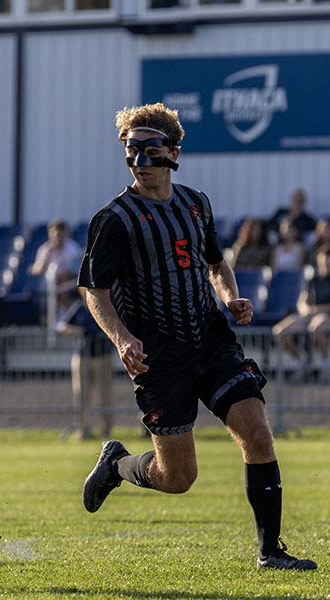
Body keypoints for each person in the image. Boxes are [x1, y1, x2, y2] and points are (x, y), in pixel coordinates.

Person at [78, 102, 316, 570]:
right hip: (158, 355)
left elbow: (215, 262)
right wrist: (123, 338)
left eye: (150, 150)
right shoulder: (114, 219)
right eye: (131, 151)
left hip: (210, 337)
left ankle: (271, 552)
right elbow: (94, 290)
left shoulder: (195, 203)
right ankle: (118, 464)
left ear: (174, 152)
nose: (140, 162)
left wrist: (230, 296)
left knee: (257, 434)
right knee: (179, 476)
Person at [56, 287, 113, 440]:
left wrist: (90, 332)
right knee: (82, 394)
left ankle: (106, 429)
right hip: (83, 356)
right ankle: (84, 429)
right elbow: (62, 325)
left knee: (104, 394)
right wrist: (77, 331)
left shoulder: (106, 306)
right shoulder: (79, 308)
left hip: (103, 356)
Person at [271, 244, 330, 370]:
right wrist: (305, 310)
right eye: (324, 259)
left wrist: (316, 310)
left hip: (325, 316)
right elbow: (302, 300)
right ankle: (301, 360)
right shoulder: (313, 280)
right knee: (279, 332)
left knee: (316, 328)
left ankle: (326, 363)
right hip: (308, 315)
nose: (326, 263)